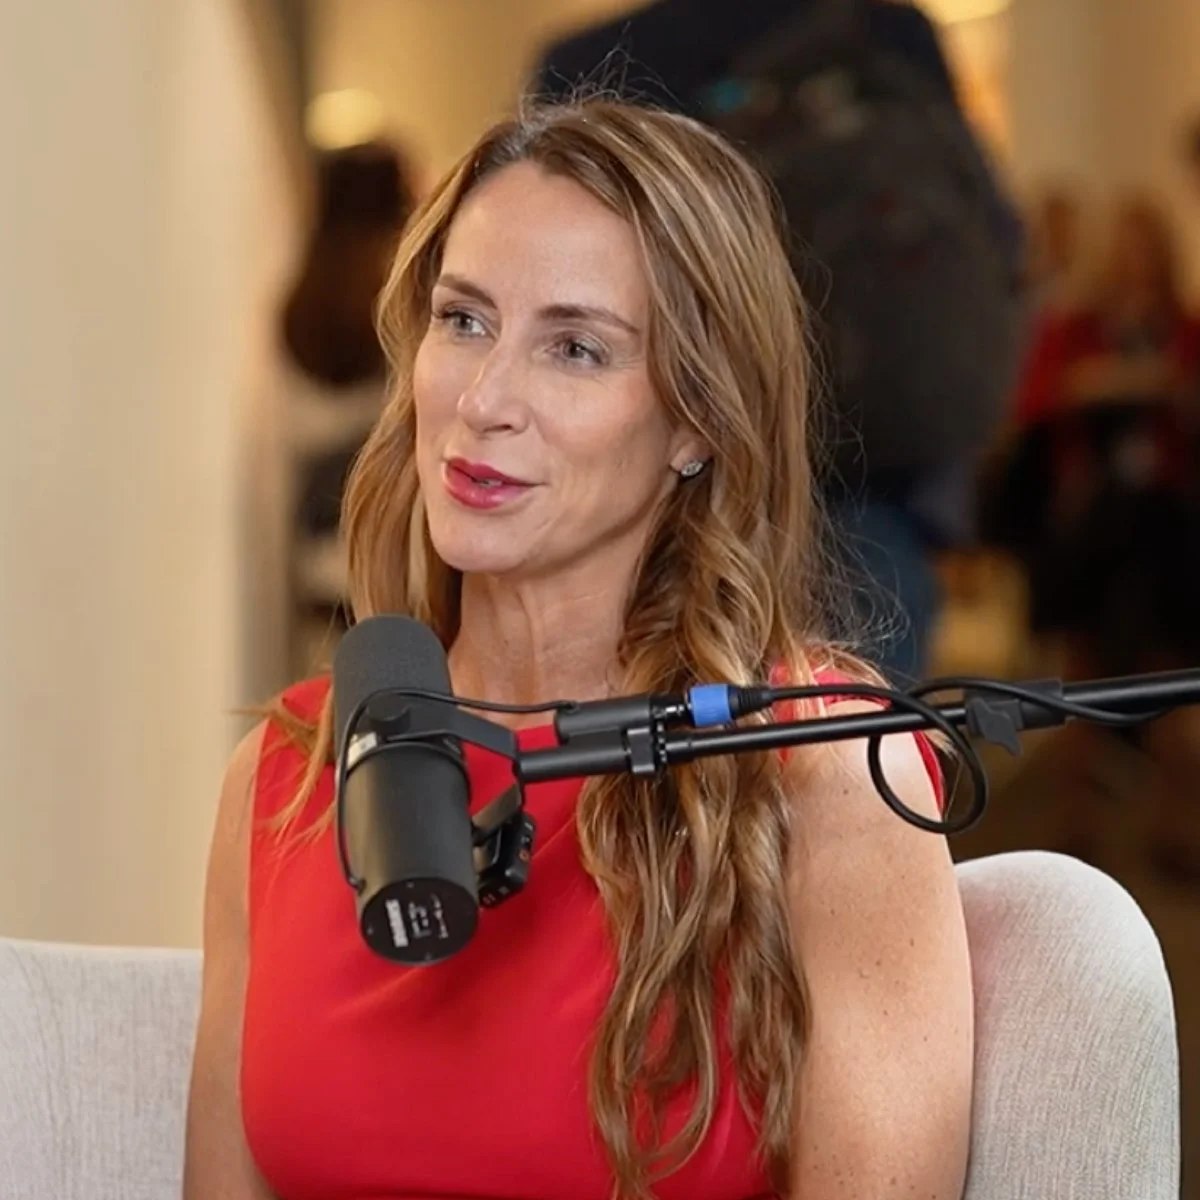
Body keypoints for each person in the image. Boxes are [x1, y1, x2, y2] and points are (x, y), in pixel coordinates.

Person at [183, 97, 972, 1199]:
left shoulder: (826, 770)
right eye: (464, 320)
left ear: (698, 420)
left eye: (575, 348)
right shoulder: (284, 778)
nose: (484, 400)